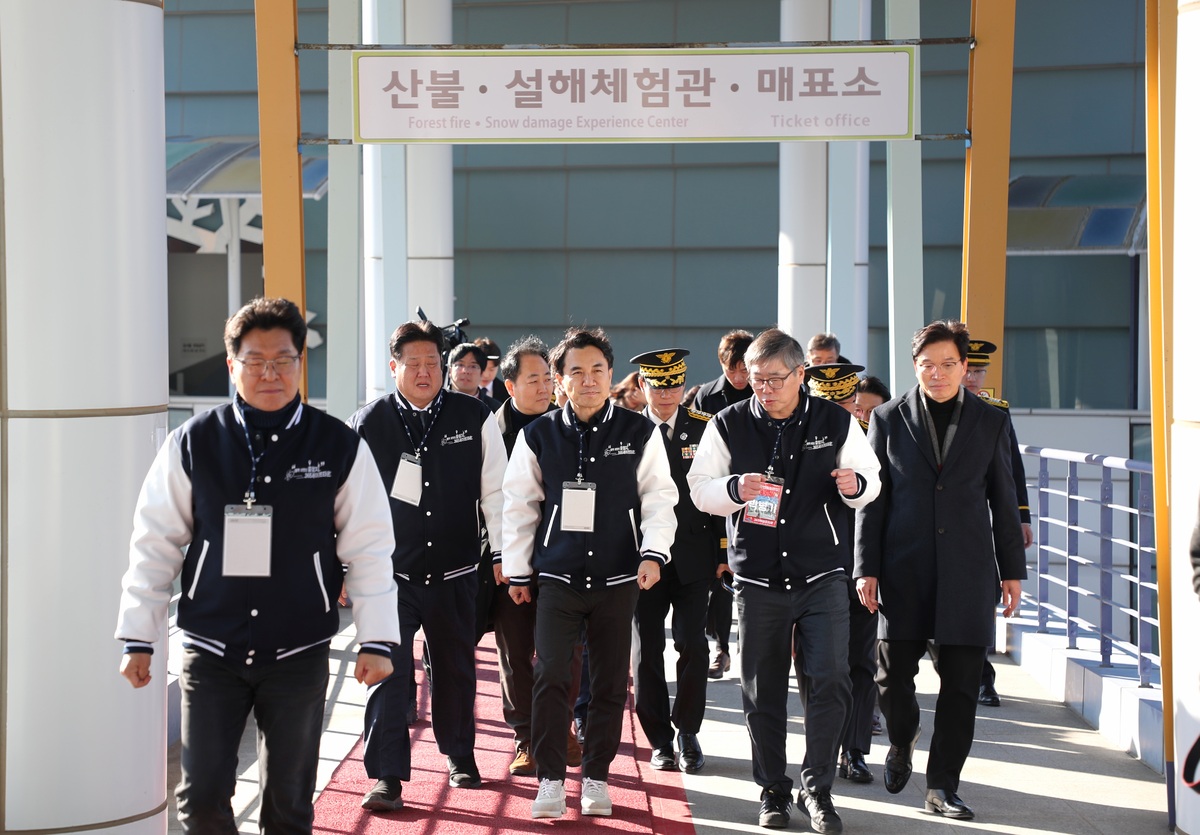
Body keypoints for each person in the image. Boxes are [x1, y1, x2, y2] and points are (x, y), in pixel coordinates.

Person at [115, 297, 401, 832]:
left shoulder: (338, 445)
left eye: (283, 360)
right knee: (200, 798)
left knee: (287, 806)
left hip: (298, 649)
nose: (270, 373)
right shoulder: (193, 443)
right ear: (232, 365)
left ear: (301, 363)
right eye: (255, 361)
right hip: (210, 648)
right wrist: (138, 637)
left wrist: (377, 640)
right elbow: (154, 543)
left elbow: (369, 547)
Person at [689, 328, 881, 833]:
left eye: (776, 379)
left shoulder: (834, 420)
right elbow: (699, 488)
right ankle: (773, 789)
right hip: (757, 579)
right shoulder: (728, 423)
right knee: (762, 689)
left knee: (831, 680)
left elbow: (871, 478)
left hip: (822, 575)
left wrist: (855, 485)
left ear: (801, 375)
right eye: (757, 379)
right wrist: (734, 488)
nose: (766, 388)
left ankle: (817, 789)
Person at [503, 326, 678, 820]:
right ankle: (551, 780)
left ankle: (597, 776)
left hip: (618, 578)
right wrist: (518, 572)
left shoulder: (638, 431)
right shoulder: (538, 435)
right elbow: (519, 506)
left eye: (598, 369)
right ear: (559, 379)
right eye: (576, 371)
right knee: (550, 675)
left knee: (608, 683)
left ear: (610, 374)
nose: (589, 379)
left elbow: (659, 496)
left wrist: (653, 553)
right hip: (557, 578)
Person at [855, 320, 1026, 823]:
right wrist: (866, 568)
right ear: (914, 366)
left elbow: (1004, 498)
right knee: (890, 678)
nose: (938, 373)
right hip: (902, 569)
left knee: (961, 686)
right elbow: (872, 501)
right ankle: (903, 736)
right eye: (928, 364)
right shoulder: (887, 418)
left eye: (949, 363)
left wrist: (1012, 570)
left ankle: (942, 787)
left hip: (968, 572)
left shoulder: (991, 420)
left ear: (964, 366)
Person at [349, 319, 507, 811]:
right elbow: (346, 502)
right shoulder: (367, 423)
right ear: (393, 367)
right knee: (387, 672)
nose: (424, 372)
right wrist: (343, 566)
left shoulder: (474, 415)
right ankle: (387, 777)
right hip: (388, 576)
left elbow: (497, 491)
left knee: (455, 670)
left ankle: (460, 756)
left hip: (456, 571)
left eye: (432, 363)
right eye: (413, 363)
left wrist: (502, 553)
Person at [489, 335, 583, 776]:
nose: (545, 386)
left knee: (566, 651)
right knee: (515, 652)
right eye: (534, 379)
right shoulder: (492, 432)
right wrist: (501, 556)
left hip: (562, 559)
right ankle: (526, 737)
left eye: (549, 378)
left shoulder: (569, 425)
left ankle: (561, 729)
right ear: (510, 386)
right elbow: (487, 500)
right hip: (509, 562)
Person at [629, 349, 722, 774]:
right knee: (647, 650)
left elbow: (718, 491)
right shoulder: (628, 430)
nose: (666, 394)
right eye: (657, 385)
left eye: (674, 385)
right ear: (642, 385)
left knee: (693, 645)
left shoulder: (705, 428)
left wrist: (724, 552)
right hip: (643, 560)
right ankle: (660, 740)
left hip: (694, 555)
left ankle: (687, 731)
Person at [803, 364, 879, 786]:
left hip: (863, 568)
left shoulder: (875, 438)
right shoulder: (797, 438)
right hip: (813, 571)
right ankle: (823, 747)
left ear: (855, 403)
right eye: (826, 403)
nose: (837, 412)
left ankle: (855, 750)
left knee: (861, 663)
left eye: (844, 403)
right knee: (817, 666)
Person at [964, 338, 1034, 707]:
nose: (973, 378)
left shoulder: (996, 412)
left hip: (978, 523)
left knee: (981, 602)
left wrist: (1021, 516)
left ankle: (982, 679)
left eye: (980, 371)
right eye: (969, 370)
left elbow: (1012, 470)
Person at [693, 329, 755, 679]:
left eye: (745, 368)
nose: (740, 376)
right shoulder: (707, 396)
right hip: (719, 491)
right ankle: (721, 647)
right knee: (720, 573)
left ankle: (751, 644)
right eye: (733, 369)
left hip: (757, 492)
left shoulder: (765, 391)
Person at [448, 341, 502, 411]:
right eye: (460, 365)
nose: (466, 371)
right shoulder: (436, 401)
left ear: (481, 373)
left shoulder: (496, 409)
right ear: (450, 370)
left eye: (473, 366)